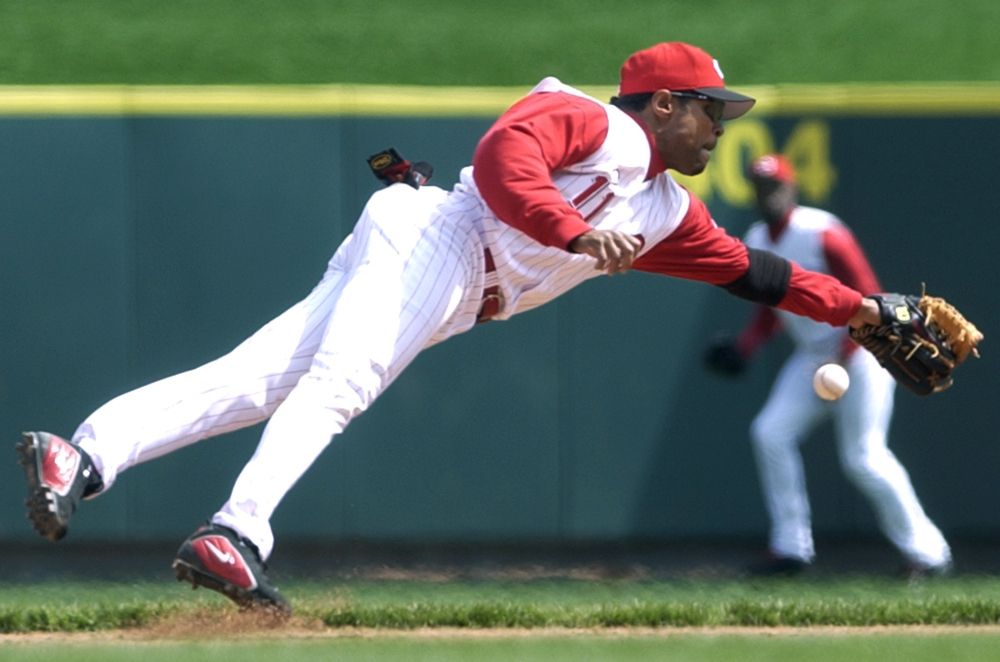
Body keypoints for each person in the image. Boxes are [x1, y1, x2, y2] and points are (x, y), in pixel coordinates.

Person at [17, 43, 887, 615]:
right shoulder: (602, 124)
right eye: (710, 109)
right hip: (445, 237)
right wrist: (577, 232)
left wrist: (871, 313)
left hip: (454, 272)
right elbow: (510, 157)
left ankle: (84, 454)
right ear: (663, 104)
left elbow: (757, 273)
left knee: (254, 382)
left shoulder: (665, 207)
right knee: (342, 384)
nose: (719, 125)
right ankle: (235, 533)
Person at [703, 154, 952, 579]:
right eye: (762, 188)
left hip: (865, 352)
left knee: (864, 456)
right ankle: (790, 548)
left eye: (775, 186)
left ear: (792, 187)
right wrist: (744, 348)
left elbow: (871, 297)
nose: (769, 195)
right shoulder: (757, 238)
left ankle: (929, 554)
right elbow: (770, 307)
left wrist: (846, 353)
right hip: (815, 357)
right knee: (770, 433)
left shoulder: (824, 232)